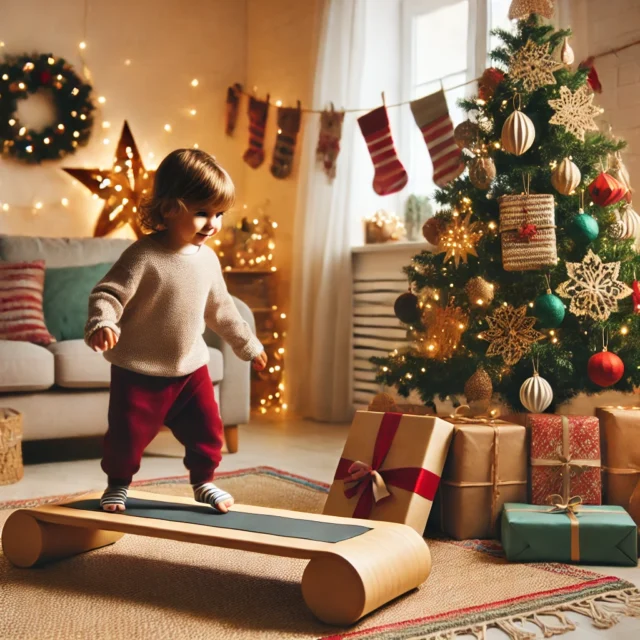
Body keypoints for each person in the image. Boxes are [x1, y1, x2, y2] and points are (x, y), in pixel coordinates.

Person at [84, 148, 267, 514]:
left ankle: (203, 482)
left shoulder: (208, 260)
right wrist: (103, 322)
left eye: (219, 214)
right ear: (169, 208)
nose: (212, 223)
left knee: (207, 429)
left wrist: (248, 344)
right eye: (202, 213)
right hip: (138, 368)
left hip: (190, 367)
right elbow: (108, 293)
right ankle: (117, 485)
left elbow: (222, 309)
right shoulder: (143, 256)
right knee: (126, 436)